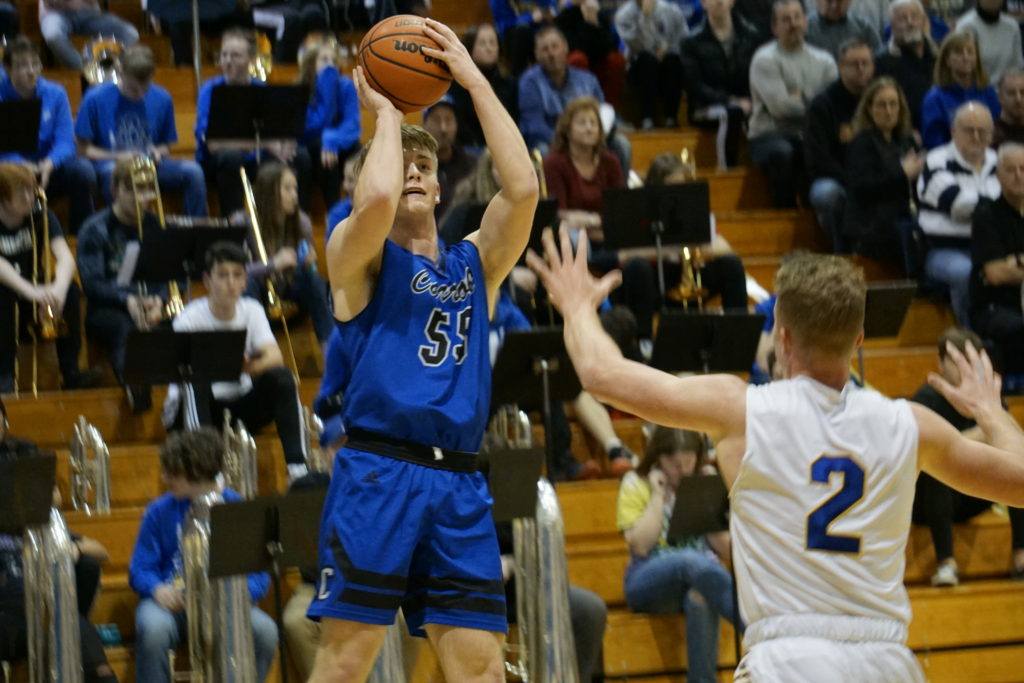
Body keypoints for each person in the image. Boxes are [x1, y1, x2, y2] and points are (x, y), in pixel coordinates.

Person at [526, 233, 1024, 681]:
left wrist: (575, 305)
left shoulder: (743, 411)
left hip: (789, 659)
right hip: (886, 661)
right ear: (858, 341)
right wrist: (991, 411)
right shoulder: (911, 424)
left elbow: (599, 374)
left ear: (782, 337)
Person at [306, 15, 539, 681]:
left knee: (482, 668)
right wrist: (384, 114)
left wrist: (471, 80)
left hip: (460, 478)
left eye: (425, 163)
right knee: (349, 662)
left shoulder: (477, 264)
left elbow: (523, 188)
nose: (412, 170)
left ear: (441, 187)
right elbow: (375, 195)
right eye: (401, 160)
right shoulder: (355, 257)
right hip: (378, 473)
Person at [128, 428, 279, 683]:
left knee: (265, 632)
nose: (164, 478)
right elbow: (140, 569)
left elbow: (259, 573)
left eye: (172, 472)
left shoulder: (236, 507)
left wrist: (239, 597)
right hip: (173, 604)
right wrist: (157, 590)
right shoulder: (158, 510)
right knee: (153, 630)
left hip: (225, 604)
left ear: (194, 472)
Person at [162, 240, 310, 482]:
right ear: (208, 281)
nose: (230, 282)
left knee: (283, 378)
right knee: (195, 379)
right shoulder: (187, 319)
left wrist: (244, 366)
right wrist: (226, 364)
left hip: (237, 403)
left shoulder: (251, 309)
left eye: (237, 275)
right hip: (191, 410)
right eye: (222, 275)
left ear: (245, 281)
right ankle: (209, 475)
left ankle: (297, 470)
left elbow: (274, 356)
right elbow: (179, 371)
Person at [618, 426, 741, 683]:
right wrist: (659, 495)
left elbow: (726, 551)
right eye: (675, 464)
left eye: (689, 463)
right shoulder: (635, 483)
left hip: (699, 579)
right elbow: (640, 545)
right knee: (689, 560)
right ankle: (753, 625)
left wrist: (707, 498)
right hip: (647, 582)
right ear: (658, 458)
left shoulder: (700, 482)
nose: (683, 470)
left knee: (701, 596)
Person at [910, 327, 1024, 586]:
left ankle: (1021, 556)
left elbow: (1016, 450)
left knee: (1013, 469)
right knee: (939, 470)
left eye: (970, 360)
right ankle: (947, 563)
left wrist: (986, 421)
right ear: (939, 363)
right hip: (928, 503)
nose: (965, 369)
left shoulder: (988, 398)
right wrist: (981, 431)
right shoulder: (926, 398)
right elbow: (933, 451)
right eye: (956, 360)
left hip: (971, 493)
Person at [77, 158, 169, 411]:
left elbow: (170, 271)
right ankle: (137, 389)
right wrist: (126, 300)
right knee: (126, 328)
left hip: (149, 303)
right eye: (133, 190)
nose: (142, 198)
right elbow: (92, 283)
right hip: (108, 309)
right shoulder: (95, 229)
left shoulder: (154, 224)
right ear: (115, 191)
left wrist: (159, 300)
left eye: (146, 189)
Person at [75, 45, 207, 217]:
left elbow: (166, 146)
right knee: (111, 174)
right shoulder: (94, 98)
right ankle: (124, 231)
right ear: (119, 72)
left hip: (149, 166)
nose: (138, 95)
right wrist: (118, 157)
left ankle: (196, 231)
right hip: (112, 165)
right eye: (132, 89)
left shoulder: (163, 98)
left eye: (144, 90)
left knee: (194, 172)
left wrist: (157, 152)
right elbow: (82, 150)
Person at [0, 163, 93, 392]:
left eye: (30, 189)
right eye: (19, 191)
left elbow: (65, 257)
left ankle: (71, 373)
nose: (28, 197)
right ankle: (4, 378)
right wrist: (30, 290)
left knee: (71, 290)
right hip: (8, 304)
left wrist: (58, 290)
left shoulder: (42, 215)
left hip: (37, 304)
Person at [195, 28, 302, 217]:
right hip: (218, 162)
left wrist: (285, 144)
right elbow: (214, 144)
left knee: (300, 156)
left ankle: (295, 221)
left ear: (251, 59)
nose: (227, 61)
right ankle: (233, 220)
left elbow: (277, 130)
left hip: (255, 159)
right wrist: (266, 143)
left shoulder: (261, 89)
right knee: (230, 156)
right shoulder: (209, 90)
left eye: (235, 56)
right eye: (224, 54)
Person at [231, 161, 333, 350]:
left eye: (295, 188)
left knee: (315, 281)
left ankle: (330, 356)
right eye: (287, 189)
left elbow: (310, 270)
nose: (295, 195)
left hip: (290, 291)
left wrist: (309, 263)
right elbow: (235, 271)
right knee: (247, 285)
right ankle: (262, 351)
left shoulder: (302, 222)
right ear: (270, 191)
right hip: (258, 296)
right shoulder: (242, 221)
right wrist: (273, 264)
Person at [0, 37, 96, 236]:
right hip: (9, 170)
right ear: (8, 70)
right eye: (22, 65)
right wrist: (21, 167)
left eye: (35, 63)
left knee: (83, 171)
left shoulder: (55, 93)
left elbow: (66, 141)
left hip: (47, 169)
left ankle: (82, 237)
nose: (31, 70)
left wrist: (50, 163)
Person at [748, 0, 837, 208]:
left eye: (797, 17)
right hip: (768, 136)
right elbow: (781, 109)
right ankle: (785, 217)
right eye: (786, 20)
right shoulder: (765, 59)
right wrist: (814, 99)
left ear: (806, 22)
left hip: (810, 134)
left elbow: (832, 106)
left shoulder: (824, 60)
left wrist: (800, 96)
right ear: (774, 27)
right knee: (785, 153)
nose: (793, 23)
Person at [917, 101, 999, 324]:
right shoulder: (936, 160)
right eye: (969, 130)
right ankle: (970, 337)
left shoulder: (1000, 162)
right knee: (966, 273)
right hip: (945, 251)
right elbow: (957, 204)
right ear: (954, 131)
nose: (976, 136)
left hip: (994, 249)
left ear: (992, 134)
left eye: (982, 131)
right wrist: (999, 206)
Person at [843, 77, 924, 264]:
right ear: (870, 109)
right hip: (871, 222)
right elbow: (864, 188)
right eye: (881, 105)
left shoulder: (906, 141)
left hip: (900, 216)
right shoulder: (861, 143)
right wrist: (903, 174)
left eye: (893, 104)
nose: (888, 111)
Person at [804, 38, 875, 252]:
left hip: (872, 176)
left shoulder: (880, 100)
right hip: (833, 178)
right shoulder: (823, 104)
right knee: (830, 195)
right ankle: (841, 255)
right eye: (854, 64)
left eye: (866, 63)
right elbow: (818, 159)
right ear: (841, 66)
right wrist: (853, 180)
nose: (861, 69)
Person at [680, 0, 761, 168]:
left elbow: (757, 75)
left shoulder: (751, 35)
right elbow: (694, 86)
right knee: (730, 112)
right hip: (705, 107)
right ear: (703, 3)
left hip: (746, 102)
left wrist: (750, 100)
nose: (719, 1)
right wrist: (730, 99)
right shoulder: (690, 41)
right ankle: (726, 171)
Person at [969, 142, 1024, 376]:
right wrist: (1006, 267)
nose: (1018, 176)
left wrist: (1016, 262)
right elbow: (996, 274)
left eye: (1023, 168)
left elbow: (1006, 268)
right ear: (999, 176)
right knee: (1018, 328)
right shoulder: (986, 214)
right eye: (1011, 170)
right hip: (995, 306)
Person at [296, 38, 360, 210]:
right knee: (320, 148)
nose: (330, 65)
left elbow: (353, 125)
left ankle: (358, 207)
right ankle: (333, 211)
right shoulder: (300, 89)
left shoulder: (346, 85)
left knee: (357, 149)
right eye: (324, 60)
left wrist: (331, 140)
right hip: (311, 148)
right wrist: (327, 86)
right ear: (310, 65)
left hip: (336, 145)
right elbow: (311, 127)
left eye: (334, 60)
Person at [614, 0, 689, 130]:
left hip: (666, 63)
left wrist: (668, 48)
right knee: (647, 60)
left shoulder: (671, 10)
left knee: (674, 61)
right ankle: (646, 118)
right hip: (639, 66)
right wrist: (645, 17)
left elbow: (685, 40)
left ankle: (671, 117)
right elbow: (640, 46)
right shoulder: (623, 16)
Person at [920, 32, 1000, 149]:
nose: (966, 57)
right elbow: (934, 141)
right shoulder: (935, 98)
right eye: (959, 52)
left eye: (970, 52)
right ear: (947, 59)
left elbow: (996, 129)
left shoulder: (988, 92)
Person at [450, 24, 519, 149]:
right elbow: (460, 124)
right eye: (482, 43)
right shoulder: (458, 83)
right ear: (470, 48)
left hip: (504, 146)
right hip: (469, 147)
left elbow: (514, 120)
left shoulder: (509, 83)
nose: (489, 48)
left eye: (493, 43)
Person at [873, 0, 939, 131]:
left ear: (924, 22)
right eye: (902, 19)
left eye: (914, 17)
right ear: (892, 27)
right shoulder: (882, 61)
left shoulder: (938, 53)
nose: (910, 23)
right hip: (902, 132)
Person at [556, 0, 627, 108]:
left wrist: (594, 22)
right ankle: (581, 109)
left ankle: (609, 109)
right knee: (578, 58)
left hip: (598, 62)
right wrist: (588, 24)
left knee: (616, 59)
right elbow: (573, 47)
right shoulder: (564, 17)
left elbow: (608, 46)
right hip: (577, 66)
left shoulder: (599, 15)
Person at [38, 0, 138, 70]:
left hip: (90, 13)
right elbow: (51, 2)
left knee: (130, 33)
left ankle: (107, 66)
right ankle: (85, 70)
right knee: (53, 36)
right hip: (54, 14)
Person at [422, 96, 479, 220]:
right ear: (423, 124)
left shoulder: (472, 164)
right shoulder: (414, 168)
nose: (443, 128)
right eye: (436, 120)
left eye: (448, 120)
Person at [954, 0, 1023, 86]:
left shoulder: (1012, 26)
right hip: (978, 90)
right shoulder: (966, 26)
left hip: (1009, 91)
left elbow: (1017, 65)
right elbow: (963, 68)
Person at [248, 0, 328, 63]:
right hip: (256, 6)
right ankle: (283, 70)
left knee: (313, 14)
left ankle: (314, 69)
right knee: (290, 20)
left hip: (290, 3)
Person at [804, 0, 881, 60]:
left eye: (839, 1)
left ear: (849, 1)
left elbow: (878, 57)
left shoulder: (864, 27)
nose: (834, 5)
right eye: (829, 1)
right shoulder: (804, 28)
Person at [993, 69, 1024, 147]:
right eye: (1011, 93)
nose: (1018, 99)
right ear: (1000, 97)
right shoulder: (992, 135)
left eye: (1023, 92)